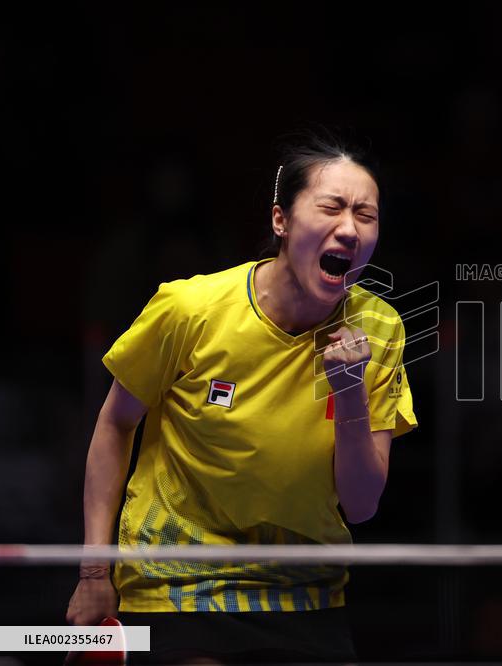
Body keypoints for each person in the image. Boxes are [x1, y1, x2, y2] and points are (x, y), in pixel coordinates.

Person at [65, 133, 418, 664]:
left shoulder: (378, 327)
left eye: (365, 215)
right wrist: (95, 570)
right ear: (281, 221)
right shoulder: (190, 309)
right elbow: (114, 425)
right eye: (331, 208)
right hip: (178, 584)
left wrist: (349, 394)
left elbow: (362, 504)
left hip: (305, 593)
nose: (349, 227)